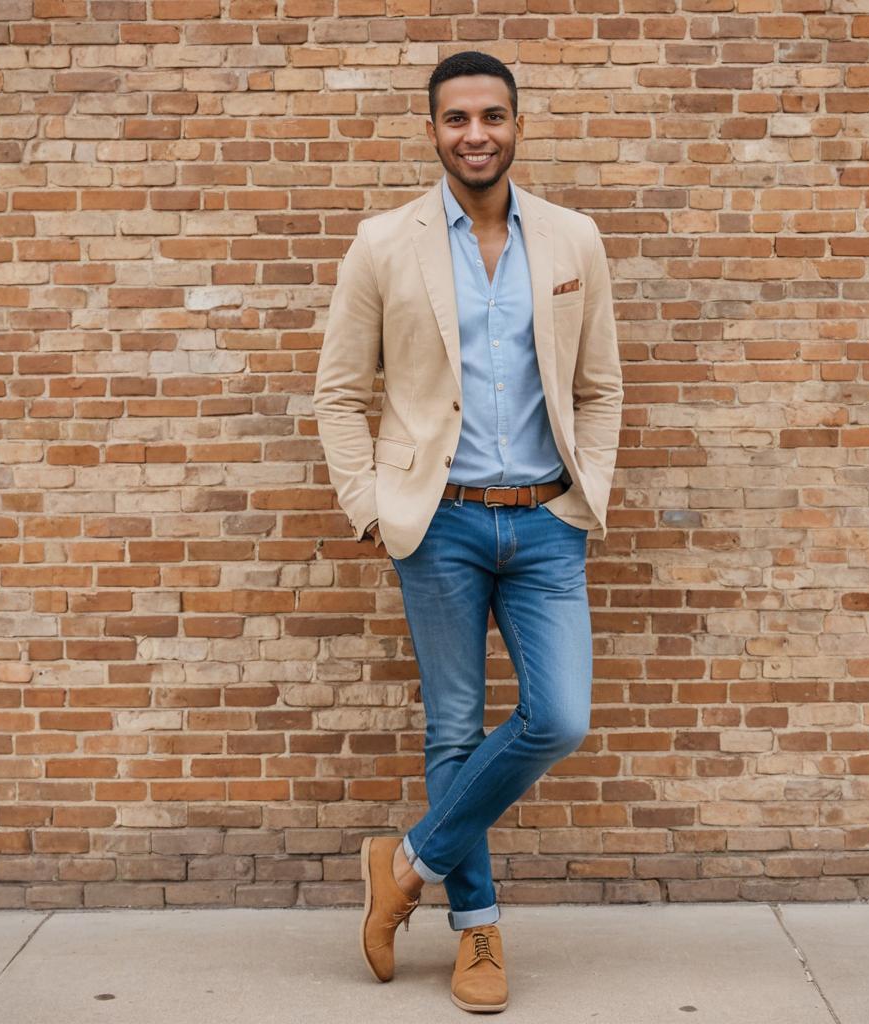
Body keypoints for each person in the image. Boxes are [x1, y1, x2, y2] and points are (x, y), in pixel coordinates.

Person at [312, 49, 623, 1015]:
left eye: (493, 116)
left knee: (558, 717)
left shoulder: (573, 240)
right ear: (433, 129)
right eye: (457, 119)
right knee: (452, 729)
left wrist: (585, 497)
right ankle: (476, 929)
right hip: (437, 525)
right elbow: (338, 392)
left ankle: (402, 862)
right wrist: (370, 509)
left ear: (518, 125)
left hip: (544, 523)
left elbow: (600, 387)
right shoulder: (383, 243)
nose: (476, 134)